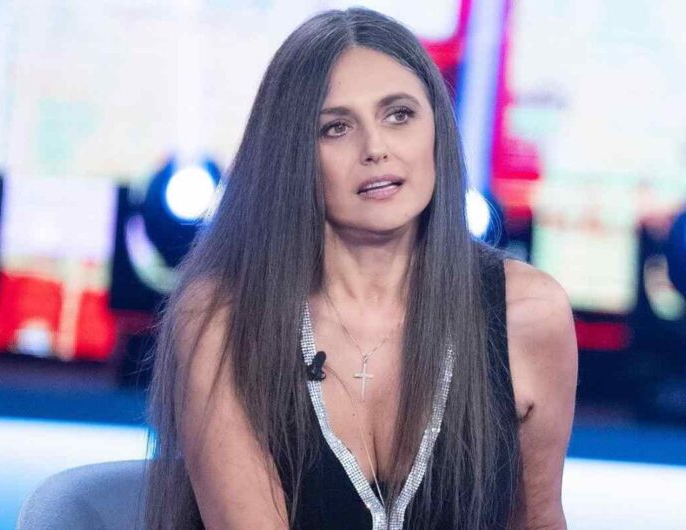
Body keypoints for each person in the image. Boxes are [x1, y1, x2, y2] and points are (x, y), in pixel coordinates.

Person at [144, 7, 577, 530]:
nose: (375, 149)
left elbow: (538, 520)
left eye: (399, 115)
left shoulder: (528, 313)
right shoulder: (223, 318)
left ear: (438, 129)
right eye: (336, 128)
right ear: (291, 155)